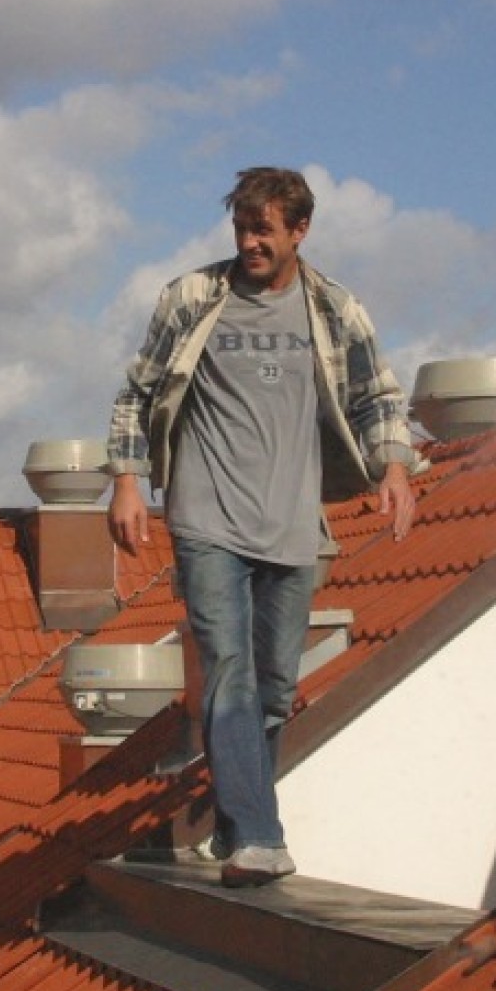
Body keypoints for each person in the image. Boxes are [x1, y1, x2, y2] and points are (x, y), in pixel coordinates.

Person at [105, 167, 417, 888]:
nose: (250, 242)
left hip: (293, 522)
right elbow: (137, 393)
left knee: (274, 686)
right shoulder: (192, 299)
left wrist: (395, 468)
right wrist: (125, 481)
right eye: (243, 228)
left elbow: (378, 396)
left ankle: (235, 821)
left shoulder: (334, 309)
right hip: (205, 516)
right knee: (229, 669)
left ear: (299, 231)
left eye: (264, 230)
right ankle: (258, 835)